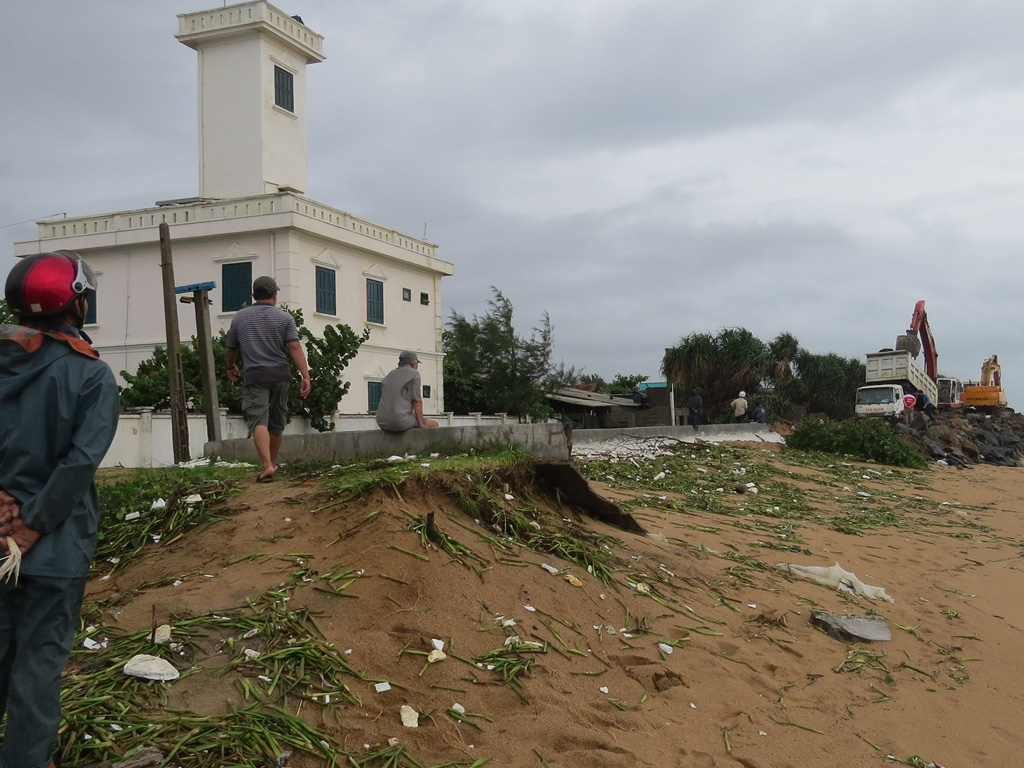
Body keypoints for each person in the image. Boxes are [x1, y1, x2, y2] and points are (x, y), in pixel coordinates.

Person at [0, 251, 121, 768]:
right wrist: (31, 526)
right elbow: (79, 464)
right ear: (76, 302)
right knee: (40, 662)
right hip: (54, 545)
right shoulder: (91, 375)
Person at [225, 276, 311, 482]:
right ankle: (271, 463)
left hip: (255, 375)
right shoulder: (285, 318)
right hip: (280, 375)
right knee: (277, 422)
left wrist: (230, 366)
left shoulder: (240, 318)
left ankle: (266, 466)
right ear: (275, 295)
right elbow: (294, 347)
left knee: (258, 420)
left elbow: (232, 349)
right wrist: (305, 376)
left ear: (254, 295)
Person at [375, 351, 440, 432]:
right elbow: (417, 401)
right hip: (399, 421)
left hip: (381, 421)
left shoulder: (390, 374)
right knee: (434, 424)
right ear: (414, 363)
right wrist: (421, 424)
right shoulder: (414, 373)